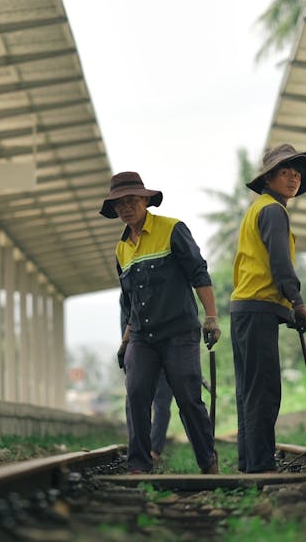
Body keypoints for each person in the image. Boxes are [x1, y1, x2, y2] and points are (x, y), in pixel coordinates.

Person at [102, 171, 221, 475]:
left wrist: (211, 317)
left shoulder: (172, 229)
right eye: (120, 204)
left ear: (145, 200)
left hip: (179, 332)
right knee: (137, 392)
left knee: (187, 395)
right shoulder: (122, 248)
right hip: (142, 336)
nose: (126, 208)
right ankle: (140, 464)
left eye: (132, 201)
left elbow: (198, 272)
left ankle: (208, 461)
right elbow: (130, 302)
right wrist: (126, 340)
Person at [230, 144, 306, 473]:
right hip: (258, 308)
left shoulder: (259, 209)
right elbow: (280, 262)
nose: (294, 177)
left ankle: (249, 463)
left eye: (297, 173)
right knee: (264, 391)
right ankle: (260, 465)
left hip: (245, 309)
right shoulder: (272, 211)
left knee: (249, 391)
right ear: (268, 177)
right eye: (286, 171)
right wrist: (297, 303)